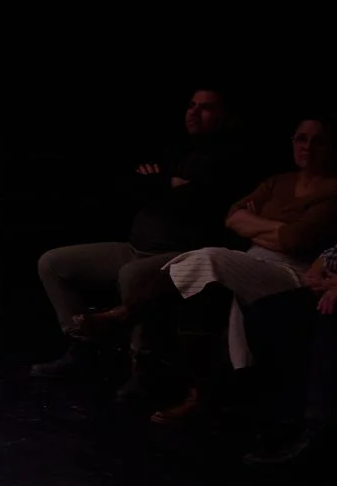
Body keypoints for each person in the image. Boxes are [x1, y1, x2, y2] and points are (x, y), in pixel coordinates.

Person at [130, 118, 337, 423]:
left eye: (318, 141)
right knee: (201, 289)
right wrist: (276, 231)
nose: (307, 147)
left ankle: (124, 313)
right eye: (301, 138)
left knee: (209, 258)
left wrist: (256, 226)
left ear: (334, 147)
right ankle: (201, 397)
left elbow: (298, 240)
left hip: (293, 271)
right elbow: (232, 217)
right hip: (253, 260)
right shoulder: (279, 181)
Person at [30, 87, 253, 378]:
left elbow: (195, 203)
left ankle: (142, 366)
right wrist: (168, 184)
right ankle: (83, 346)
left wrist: (158, 184)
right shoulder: (175, 148)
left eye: (206, 108)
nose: (194, 112)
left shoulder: (230, 160)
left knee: (132, 275)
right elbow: (128, 187)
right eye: (191, 105)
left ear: (224, 116)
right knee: (53, 263)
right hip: (134, 246)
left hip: (180, 255)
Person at [242, 198, 337, 465]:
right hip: (331, 283)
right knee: (267, 312)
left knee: (335, 317)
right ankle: (289, 416)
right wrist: (316, 276)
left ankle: (322, 432)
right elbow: (333, 252)